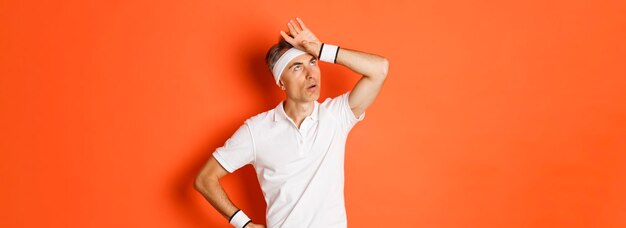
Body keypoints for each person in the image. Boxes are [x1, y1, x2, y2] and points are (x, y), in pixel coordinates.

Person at [194, 17, 389, 228]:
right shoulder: (256, 130)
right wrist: (244, 224)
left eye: (313, 62)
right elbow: (205, 179)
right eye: (297, 67)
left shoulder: (336, 116)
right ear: (280, 82)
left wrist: (321, 49)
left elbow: (379, 69)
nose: (310, 74)